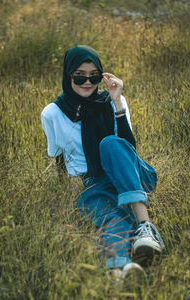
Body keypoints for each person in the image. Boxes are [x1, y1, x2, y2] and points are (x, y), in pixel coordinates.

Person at [41, 45, 165, 279]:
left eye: (94, 76)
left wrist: (117, 103)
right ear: (68, 75)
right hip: (95, 183)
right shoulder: (52, 113)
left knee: (110, 144)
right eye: (79, 76)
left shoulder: (113, 100)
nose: (87, 82)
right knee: (111, 219)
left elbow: (127, 148)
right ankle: (121, 270)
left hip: (132, 174)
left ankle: (145, 226)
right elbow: (57, 156)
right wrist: (59, 191)